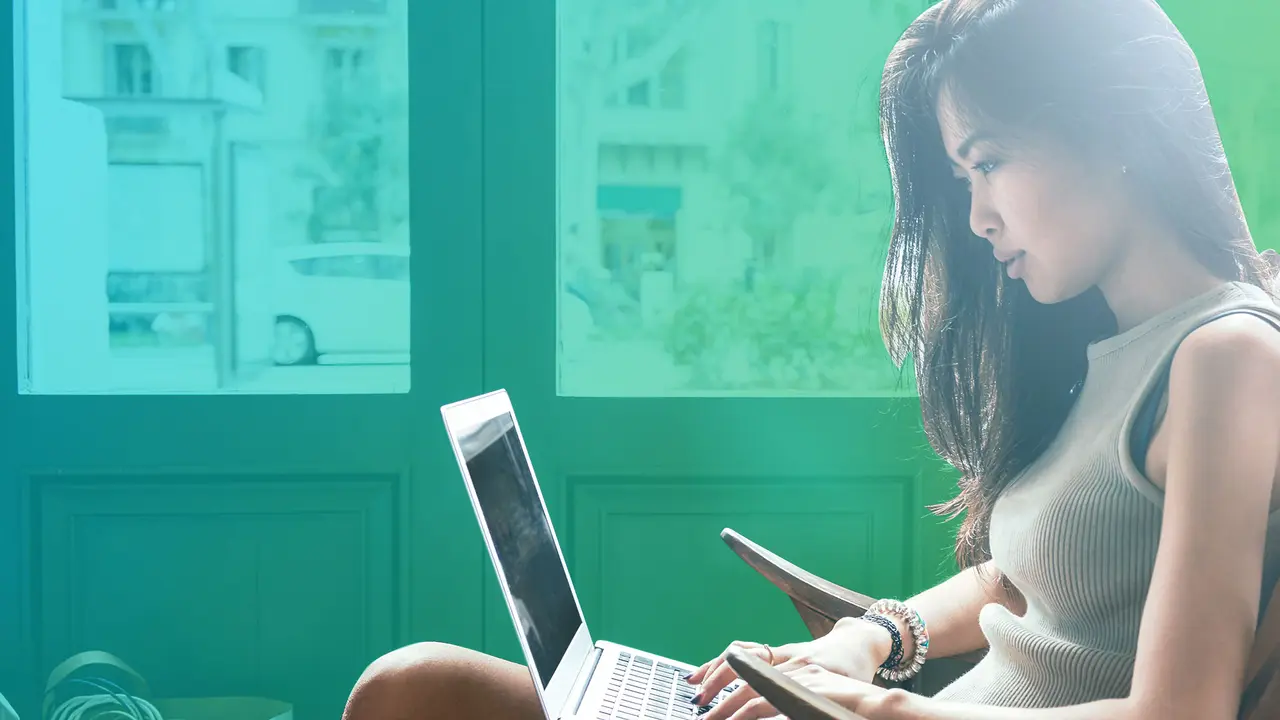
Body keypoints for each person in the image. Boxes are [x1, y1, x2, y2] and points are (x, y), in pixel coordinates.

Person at [341, 0, 1280, 718]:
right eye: (961, 180)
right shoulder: (1108, 347)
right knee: (414, 683)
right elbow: (1040, 570)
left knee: (417, 696)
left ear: (1111, 130)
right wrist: (872, 639)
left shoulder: (1227, 357)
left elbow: (1180, 711)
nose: (977, 216)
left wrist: (880, 708)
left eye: (987, 162)